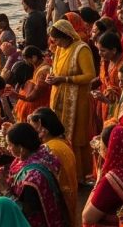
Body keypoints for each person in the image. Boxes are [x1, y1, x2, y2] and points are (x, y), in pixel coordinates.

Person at [0, 123, 66, 227]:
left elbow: (25, 211)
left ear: (21, 148)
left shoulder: (31, 179)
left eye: (10, 145)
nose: (8, 148)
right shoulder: (44, 153)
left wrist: (5, 190)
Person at [46, 19, 96, 181]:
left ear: (67, 36)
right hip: (60, 98)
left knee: (76, 137)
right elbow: (55, 68)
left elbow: (89, 76)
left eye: (59, 40)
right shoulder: (60, 49)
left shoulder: (81, 49)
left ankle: (80, 175)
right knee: (60, 134)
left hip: (78, 101)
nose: (57, 44)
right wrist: (51, 77)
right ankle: (65, 171)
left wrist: (65, 79)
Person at [27, 108, 80, 227]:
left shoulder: (50, 150)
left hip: (61, 199)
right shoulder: (62, 140)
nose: (32, 133)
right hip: (70, 194)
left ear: (43, 130)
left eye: (34, 128)